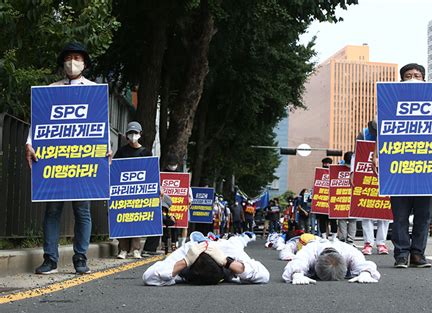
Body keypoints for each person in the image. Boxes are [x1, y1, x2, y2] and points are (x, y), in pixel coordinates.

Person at [26, 42, 111, 275]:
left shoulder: (94, 90)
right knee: (52, 211)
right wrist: (29, 143)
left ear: (84, 62)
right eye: (69, 57)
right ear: (63, 62)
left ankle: (80, 258)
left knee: (82, 212)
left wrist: (107, 149)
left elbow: (101, 125)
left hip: (83, 163)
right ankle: (50, 260)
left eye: (77, 57)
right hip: (55, 163)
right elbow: (39, 122)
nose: (73, 62)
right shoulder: (51, 89)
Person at [386, 63, 432, 268]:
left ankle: (417, 254)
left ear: (424, 80)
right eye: (408, 75)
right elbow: (381, 131)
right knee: (400, 217)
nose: (413, 78)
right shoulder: (389, 102)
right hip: (399, 172)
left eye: (417, 75)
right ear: (401, 81)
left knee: (424, 217)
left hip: (428, 171)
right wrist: (375, 155)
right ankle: (401, 254)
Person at [142, 232, 269, 286]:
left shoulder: (227, 248)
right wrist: (186, 260)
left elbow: (264, 275)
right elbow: (148, 277)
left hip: (221, 245)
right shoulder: (189, 250)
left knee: (238, 240)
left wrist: (226, 261)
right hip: (202, 248)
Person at [113, 121, 153, 259]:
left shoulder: (146, 152)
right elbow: (115, 169)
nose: (133, 135)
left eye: (135, 133)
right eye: (130, 133)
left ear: (140, 134)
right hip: (123, 191)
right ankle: (123, 249)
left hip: (140, 191)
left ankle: (136, 249)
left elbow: (151, 172)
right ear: (126, 135)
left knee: (137, 218)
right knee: (123, 218)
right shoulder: (122, 151)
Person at [354, 121, 389, 255]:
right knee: (366, 209)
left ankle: (381, 243)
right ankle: (368, 242)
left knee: (384, 210)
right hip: (366, 175)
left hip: (385, 176)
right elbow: (356, 154)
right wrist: (353, 173)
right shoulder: (363, 134)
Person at [282, 238, 380, 284]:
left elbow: (363, 264)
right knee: (286, 250)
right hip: (307, 239)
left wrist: (366, 273)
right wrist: (296, 274)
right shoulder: (310, 250)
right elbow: (298, 261)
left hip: (329, 241)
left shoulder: (349, 251)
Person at [337, 152, 357, 245]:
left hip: (347, 197)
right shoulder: (356, 167)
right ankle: (348, 240)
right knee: (345, 219)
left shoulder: (338, 168)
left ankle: (345, 240)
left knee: (346, 219)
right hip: (346, 197)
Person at [316, 157, 338, 239]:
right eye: (324, 164)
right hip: (322, 201)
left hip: (332, 202)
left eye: (327, 163)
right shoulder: (319, 174)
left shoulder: (335, 173)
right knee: (322, 220)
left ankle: (333, 237)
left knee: (333, 220)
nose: (326, 165)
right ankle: (324, 237)